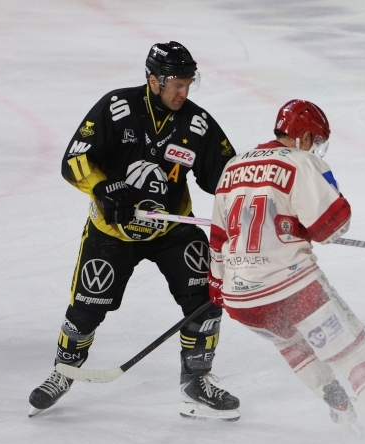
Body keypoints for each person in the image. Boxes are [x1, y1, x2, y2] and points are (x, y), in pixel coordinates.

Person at [28, 41, 240, 421]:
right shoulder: (117, 107)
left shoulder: (197, 123)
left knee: (206, 302)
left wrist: (251, 198)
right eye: (176, 84)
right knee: (85, 310)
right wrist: (102, 187)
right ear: (154, 80)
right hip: (113, 231)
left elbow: (226, 176)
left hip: (172, 228)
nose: (183, 92)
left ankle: (195, 383)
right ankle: (64, 371)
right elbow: (74, 159)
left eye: (188, 84)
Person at [208, 99, 365, 441]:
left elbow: (217, 236)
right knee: (352, 352)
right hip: (292, 287)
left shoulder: (233, 166)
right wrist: (327, 191)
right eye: (315, 140)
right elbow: (331, 227)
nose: (315, 147)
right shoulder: (301, 162)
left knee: (291, 343)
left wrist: (216, 282)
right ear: (302, 136)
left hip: (241, 299)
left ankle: (337, 403)